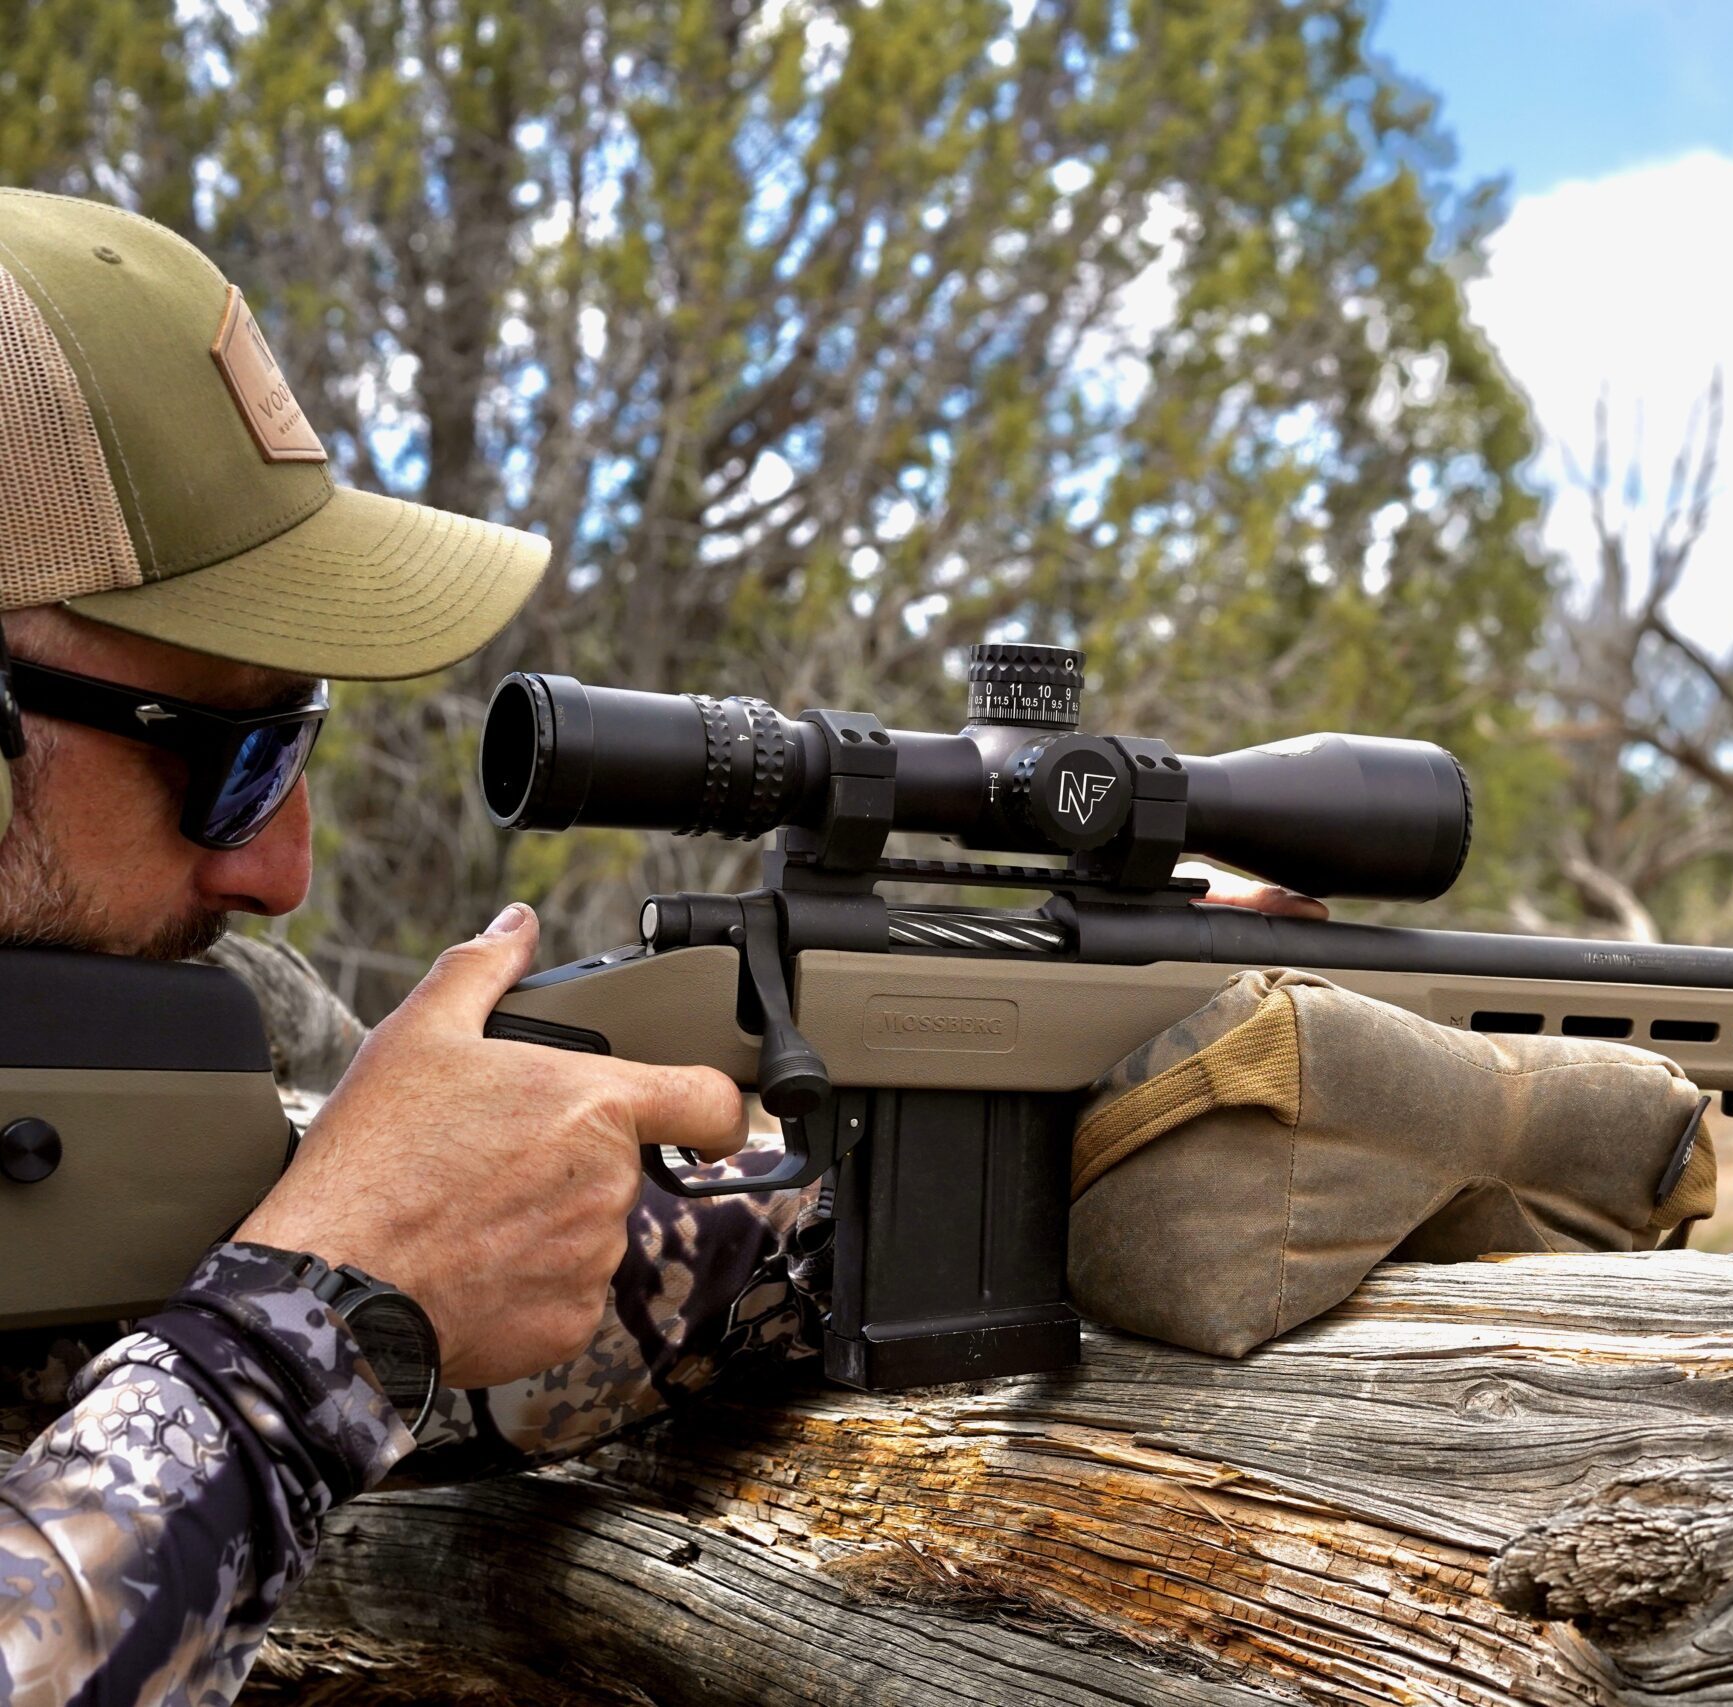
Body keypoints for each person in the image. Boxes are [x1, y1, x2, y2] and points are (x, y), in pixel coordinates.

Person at [0, 188, 1312, 1707]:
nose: (283, 865)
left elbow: (522, 1324)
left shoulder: (161, 1043)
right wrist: (308, 1337)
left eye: (299, 748)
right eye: (230, 758)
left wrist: (1038, 1107)